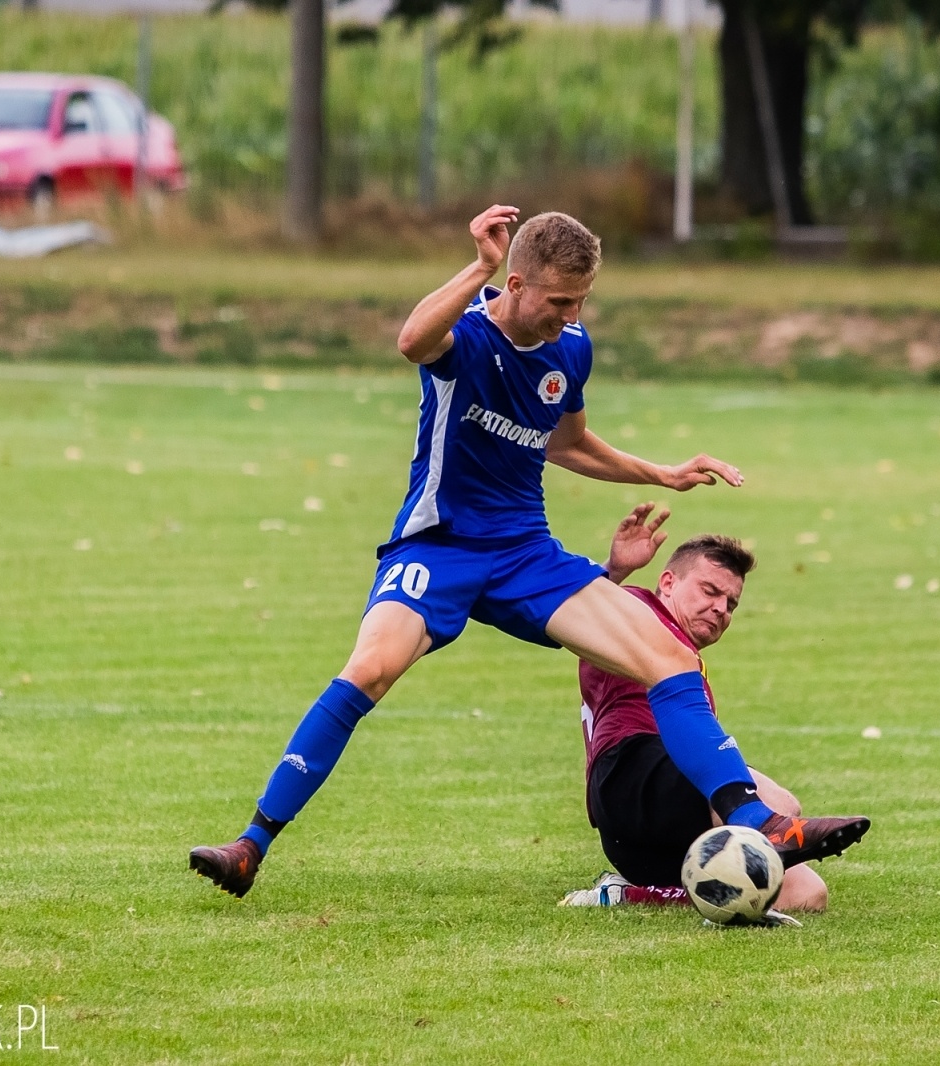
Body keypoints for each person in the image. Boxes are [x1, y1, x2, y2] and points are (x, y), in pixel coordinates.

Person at [189, 206, 868, 898]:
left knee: (669, 656)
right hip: (440, 545)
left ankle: (759, 820)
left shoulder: (571, 349)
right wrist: (477, 268)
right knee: (369, 669)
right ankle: (251, 844)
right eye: (560, 301)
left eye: (583, 301)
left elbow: (567, 443)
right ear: (516, 283)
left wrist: (659, 472)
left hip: (524, 553)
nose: (572, 316)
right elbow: (410, 340)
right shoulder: (469, 338)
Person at [560, 505, 868, 915]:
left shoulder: (687, 669)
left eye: (731, 603)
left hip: (647, 838)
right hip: (628, 777)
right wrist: (614, 572)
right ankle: (767, 829)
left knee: (806, 894)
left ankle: (630, 894)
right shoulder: (638, 611)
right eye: (710, 591)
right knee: (778, 803)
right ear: (667, 582)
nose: (722, 608)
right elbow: (577, 610)